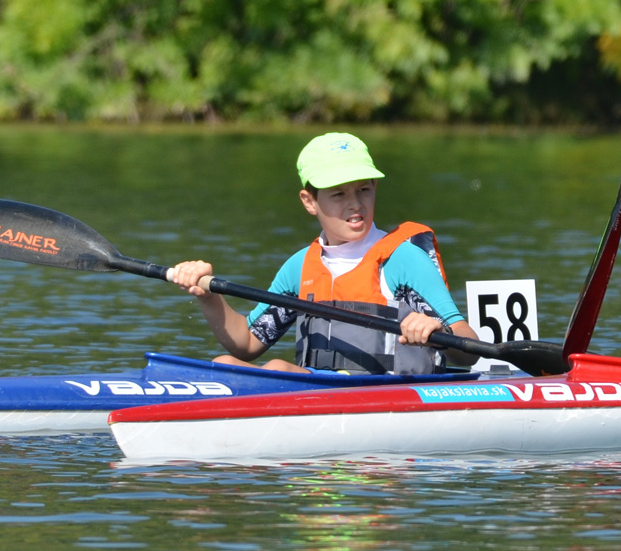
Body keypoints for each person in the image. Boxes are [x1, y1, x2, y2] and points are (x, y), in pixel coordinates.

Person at [167, 132, 480, 374]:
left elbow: (470, 347)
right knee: (224, 363)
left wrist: (438, 330)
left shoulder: (402, 259)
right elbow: (247, 344)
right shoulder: (299, 267)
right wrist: (207, 294)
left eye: (364, 190)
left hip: (387, 395)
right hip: (318, 391)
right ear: (309, 201)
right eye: (338, 194)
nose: (355, 204)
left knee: (277, 369)